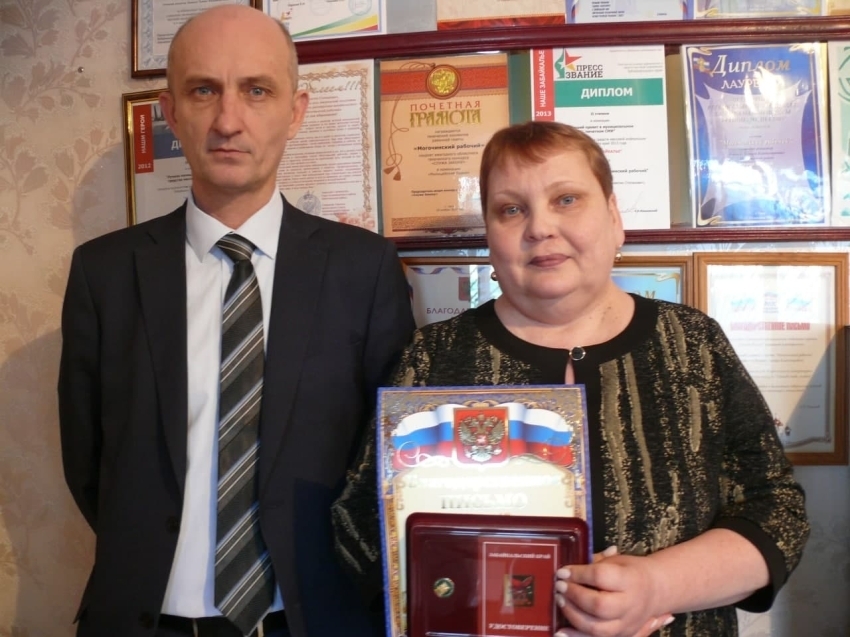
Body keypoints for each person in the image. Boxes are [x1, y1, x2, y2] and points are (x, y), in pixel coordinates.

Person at [331, 121, 810, 637]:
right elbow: (360, 527)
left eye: (566, 199)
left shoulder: (693, 344)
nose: (539, 227)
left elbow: (777, 512)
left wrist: (655, 586)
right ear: (490, 235)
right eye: (511, 209)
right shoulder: (432, 358)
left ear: (614, 216)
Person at [58, 5, 414, 637]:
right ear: (171, 113)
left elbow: (387, 458)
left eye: (256, 90)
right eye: (204, 91)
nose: (228, 120)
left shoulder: (364, 270)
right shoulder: (103, 273)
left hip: (311, 621)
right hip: (145, 620)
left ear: (295, 112)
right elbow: (88, 463)